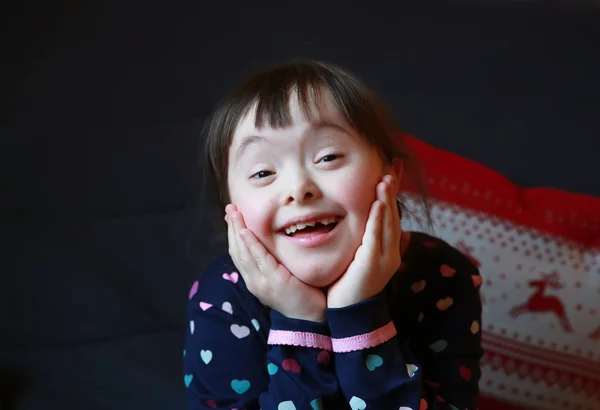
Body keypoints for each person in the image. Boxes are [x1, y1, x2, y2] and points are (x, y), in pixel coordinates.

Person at [184, 59, 483, 410]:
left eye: (328, 157)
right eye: (263, 172)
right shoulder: (221, 297)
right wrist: (299, 322)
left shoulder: (441, 277)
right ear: (231, 205)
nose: (299, 188)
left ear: (391, 174)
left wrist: (359, 315)